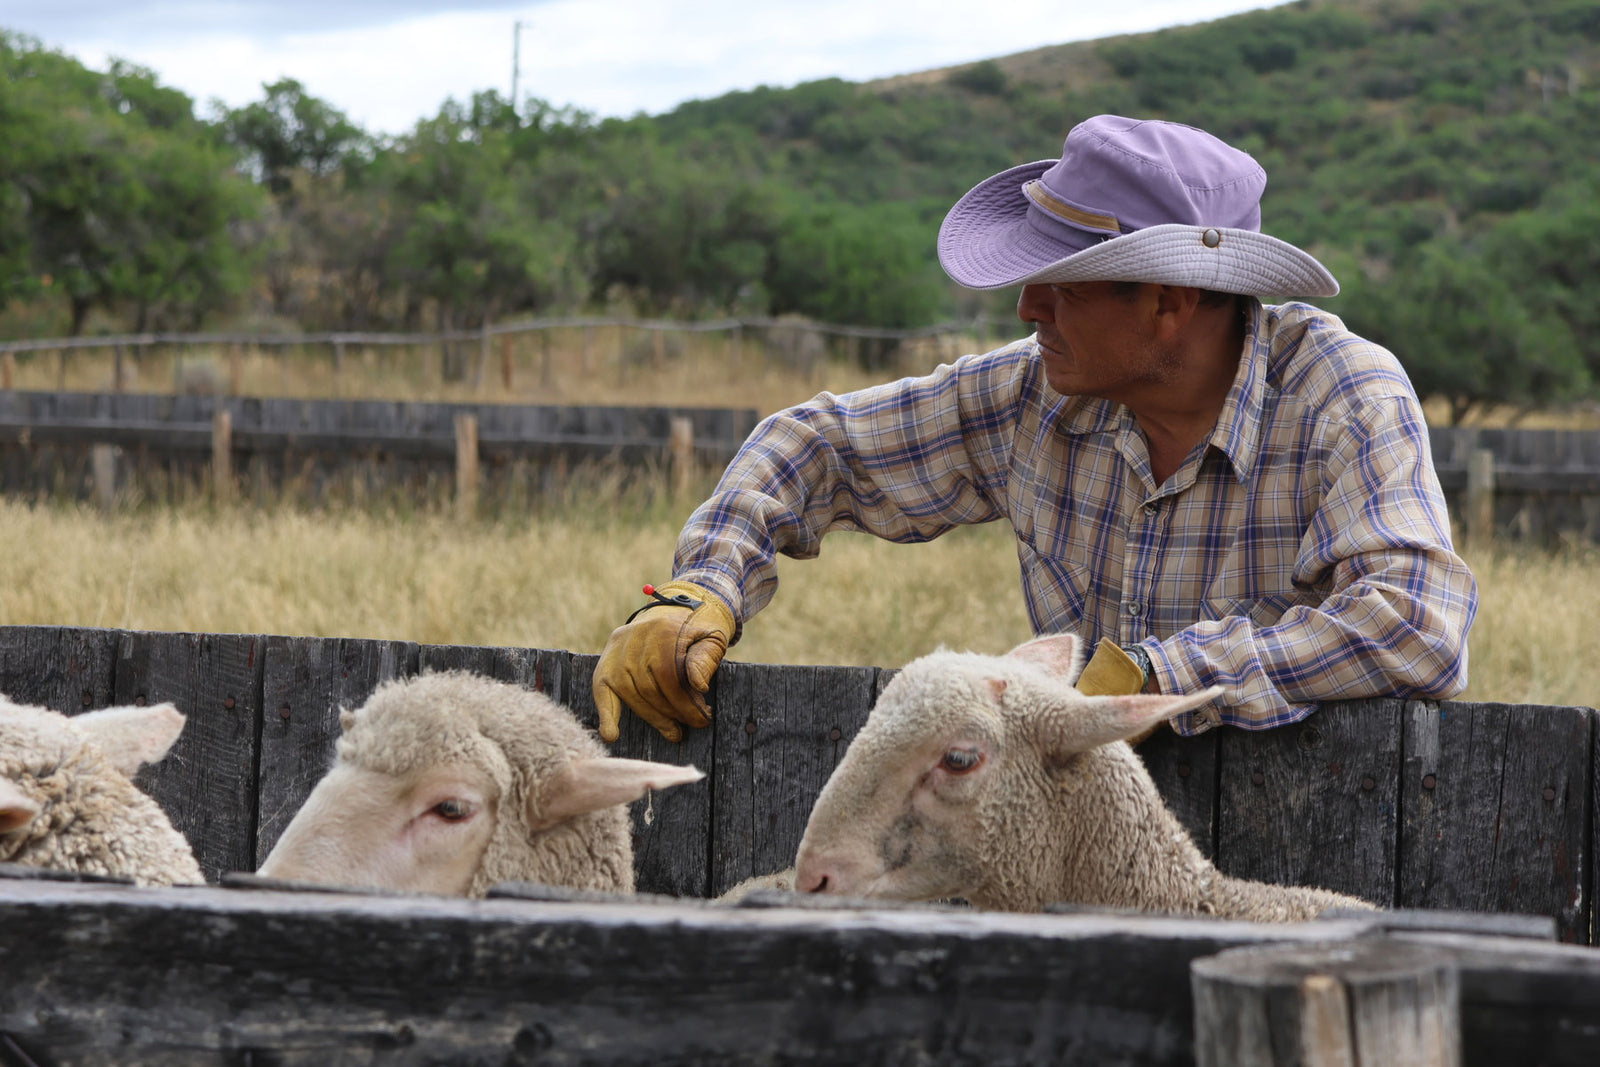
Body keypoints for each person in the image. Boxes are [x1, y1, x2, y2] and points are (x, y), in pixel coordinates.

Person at [590, 114, 1478, 744]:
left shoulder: (1340, 395)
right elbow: (814, 445)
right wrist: (702, 587)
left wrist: (1160, 678)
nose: (1027, 306)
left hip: (1313, 864)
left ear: (1169, 302)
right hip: (1080, 854)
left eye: (1063, 284)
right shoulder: (1036, 396)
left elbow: (1414, 622)